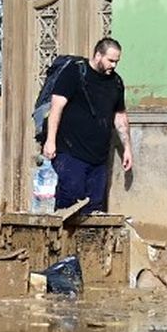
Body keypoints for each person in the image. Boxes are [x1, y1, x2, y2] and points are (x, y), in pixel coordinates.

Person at [41, 37, 132, 213]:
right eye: (110, 60)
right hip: (70, 152)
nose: (114, 65)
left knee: (94, 207)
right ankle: (63, 239)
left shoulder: (116, 82)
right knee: (70, 202)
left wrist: (127, 148)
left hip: (99, 157)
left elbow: (120, 116)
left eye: (116, 61)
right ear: (98, 55)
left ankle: (88, 241)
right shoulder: (74, 73)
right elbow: (56, 107)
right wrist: (50, 140)